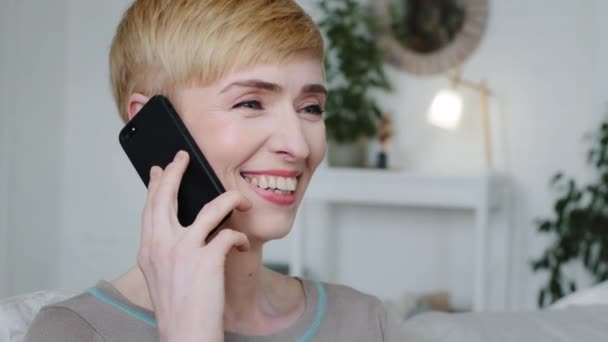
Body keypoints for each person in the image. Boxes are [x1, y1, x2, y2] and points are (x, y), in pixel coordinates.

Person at [25, 1, 404, 341]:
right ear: (156, 125)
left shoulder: (365, 322)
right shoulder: (73, 332)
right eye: (251, 102)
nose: (299, 146)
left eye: (311, 108)